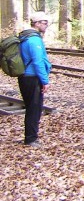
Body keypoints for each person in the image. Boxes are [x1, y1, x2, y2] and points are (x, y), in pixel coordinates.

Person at [18, 12, 52, 147]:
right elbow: (38, 62)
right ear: (36, 23)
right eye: (44, 23)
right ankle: (31, 139)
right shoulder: (34, 40)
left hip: (25, 77)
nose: (46, 26)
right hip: (32, 78)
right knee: (34, 108)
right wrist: (45, 81)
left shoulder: (25, 37)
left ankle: (30, 136)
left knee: (31, 107)